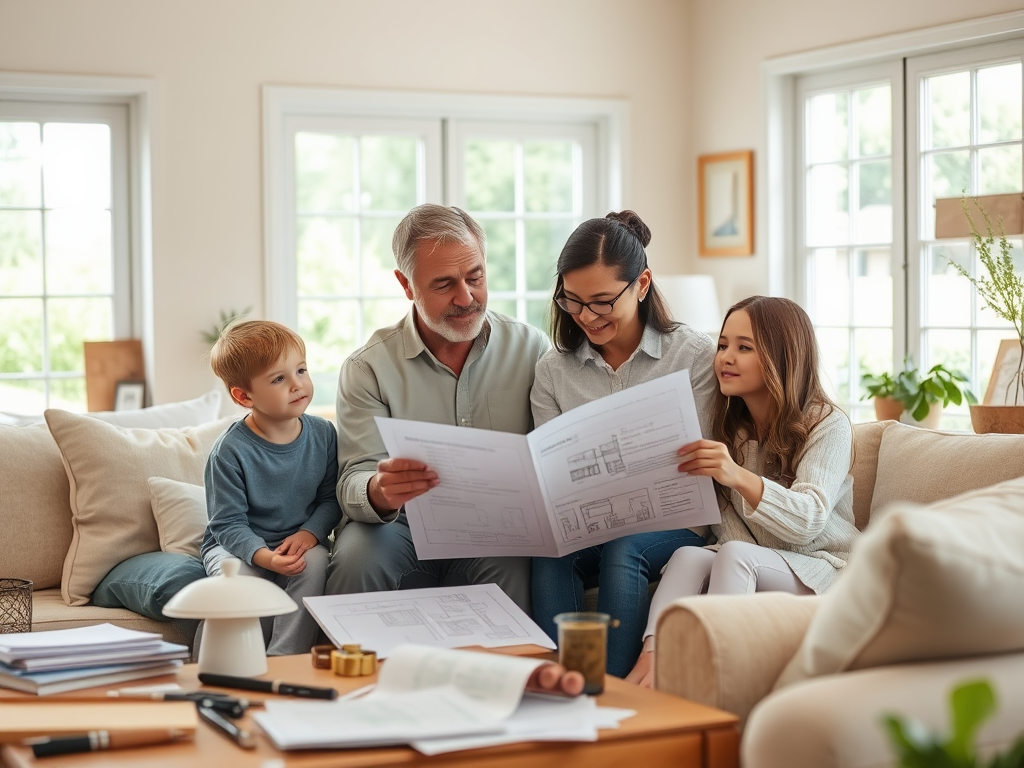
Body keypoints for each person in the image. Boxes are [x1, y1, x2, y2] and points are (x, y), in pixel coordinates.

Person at [326, 204, 550, 613]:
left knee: (514, 564)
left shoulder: (532, 349)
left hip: (497, 525)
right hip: (403, 525)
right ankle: (349, 675)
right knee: (357, 556)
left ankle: (503, 675)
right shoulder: (368, 368)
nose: (466, 298)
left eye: (475, 278)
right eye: (444, 284)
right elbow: (353, 480)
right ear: (406, 284)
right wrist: (379, 491)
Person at [627, 295, 858, 687]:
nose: (725, 357)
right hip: (763, 559)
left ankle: (716, 681)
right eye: (722, 345)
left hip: (826, 568)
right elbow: (730, 526)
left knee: (734, 556)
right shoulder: (733, 430)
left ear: (783, 356)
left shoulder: (828, 424)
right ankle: (648, 668)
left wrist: (735, 475)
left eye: (743, 347)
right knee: (688, 556)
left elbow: (809, 519)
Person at [530, 210, 718, 678]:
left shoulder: (693, 356)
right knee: (550, 550)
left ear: (643, 283)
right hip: (590, 517)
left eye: (601, 301)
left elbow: (703, 454)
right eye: (572, 301)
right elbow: (550, 466)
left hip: (673, 519)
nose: (586, 317)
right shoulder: (554, 369)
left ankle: (610, 693)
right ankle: (561, 682)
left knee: (624, 549)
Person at [202, 320, 342, 656]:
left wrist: (310, 535)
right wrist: (264, 557)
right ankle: (228, 661)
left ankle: (282, 658)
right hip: (237, 544)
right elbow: (227, 525)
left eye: (301, 370)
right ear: (243, 395)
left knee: (316, 563)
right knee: (240, 582)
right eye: (279, 379)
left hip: (298, 539)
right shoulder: (229, 451)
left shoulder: (323, 434)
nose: (297, 385)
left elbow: (331, 500)